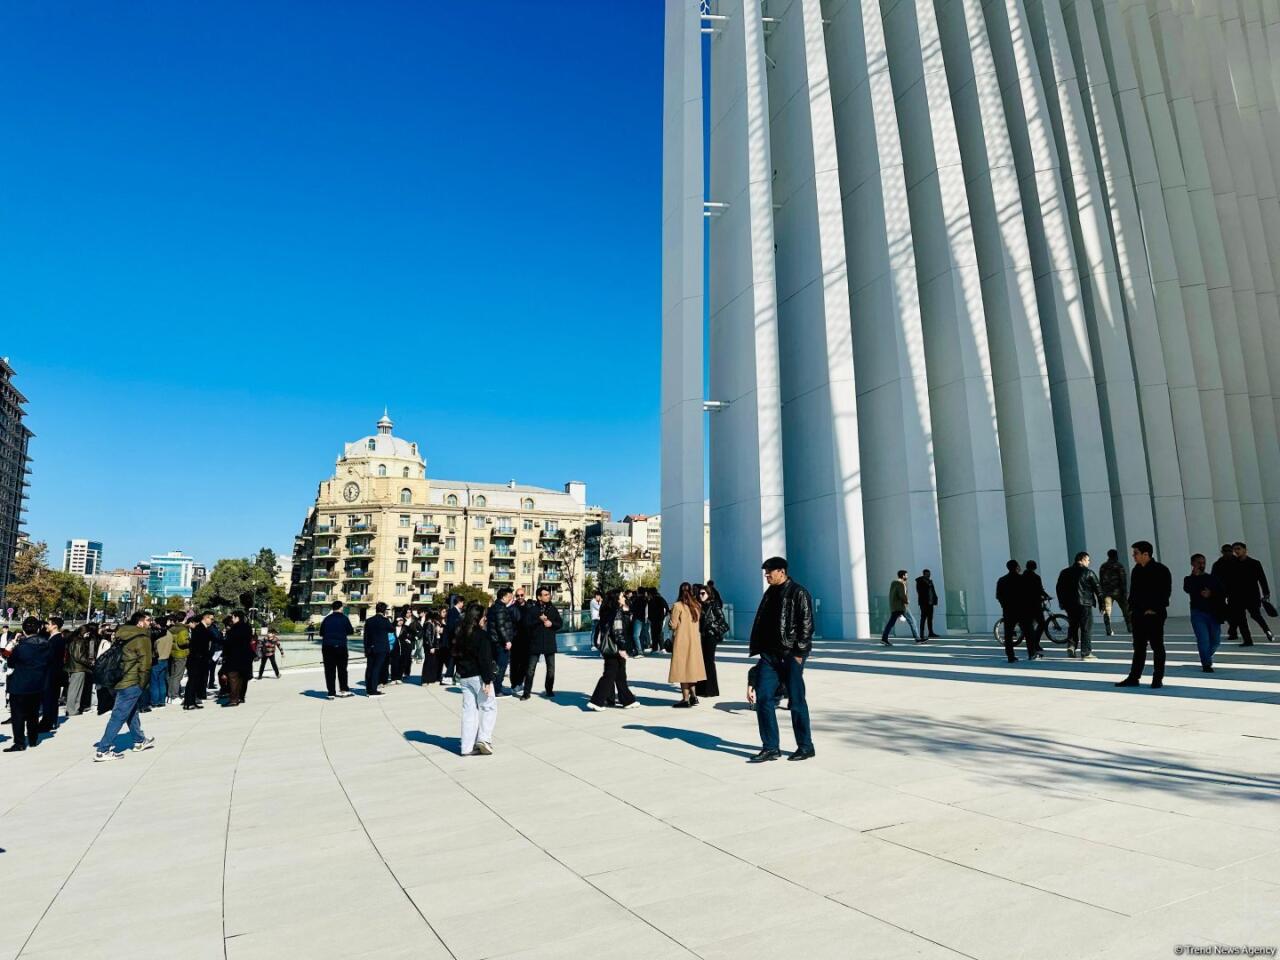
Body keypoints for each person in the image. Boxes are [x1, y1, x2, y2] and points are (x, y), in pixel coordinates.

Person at [747, 557, 815, 762]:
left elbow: (807, 625)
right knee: (764, 698)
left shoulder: (798, 592)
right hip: (769, 656)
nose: (766, 575)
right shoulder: (770, 593)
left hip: (790, 655)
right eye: (765, 572)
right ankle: (770, 747)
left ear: (782, 571)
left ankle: (805, 746)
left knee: (796, 701)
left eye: (769, 572)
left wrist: (798, 654)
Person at [94, 611, 155, 761]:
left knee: (131, 712)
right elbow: (146, 664)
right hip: (132, 681)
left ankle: (139, 741)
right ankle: (103, 749)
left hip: (118, 679)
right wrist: (143, 684)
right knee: (119, 715)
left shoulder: (122, 634)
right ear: (140, 622)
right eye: (148, 620)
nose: (150, 623)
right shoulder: (142, 638)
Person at [1116, 540, 1172, 689]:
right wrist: (1131, 609)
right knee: (1139, 647)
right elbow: (1133, 592)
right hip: (1138, 614)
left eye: (1136, 553)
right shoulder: (1136, 570)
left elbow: (1165, 592)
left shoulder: (1161, 570)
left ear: (1145, 554)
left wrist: (1153, 608)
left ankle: (1157, 678)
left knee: (1157, 645)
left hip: (1154, 614)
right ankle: (1134, 677)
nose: (1133, 556)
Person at [452, 602, 497, 755]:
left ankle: (466, 746)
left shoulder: (460, 634)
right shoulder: (482, 635)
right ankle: (484, 739)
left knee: (469, 711)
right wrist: (488, 680)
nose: (485, 619)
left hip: (464, 676)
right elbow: (485, 659)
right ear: (479, 618)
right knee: (488, 706)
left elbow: (455, 656)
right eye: (484, 617)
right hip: (478, 676)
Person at [5, 617, 51, 752]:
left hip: (20, 684)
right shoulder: (46, 645)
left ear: (24, 630)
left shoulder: (21, 647)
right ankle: (32, 739)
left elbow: (11, 663)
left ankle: (19, 742)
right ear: (38, 629)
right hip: (38, 683)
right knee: (33, 714)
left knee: (18, 715)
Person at [588, 589, 638, 710]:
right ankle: (596, 701)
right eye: (621, 596)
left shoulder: (608, 611)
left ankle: (627, 700)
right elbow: (618, 631)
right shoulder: (616, 612)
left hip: (608, 647)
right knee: (610, 675)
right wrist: (622, 648)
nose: (624, 598)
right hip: (615, 648)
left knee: (620, 674)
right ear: (616, 598)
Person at [1225, 542, 1274, 646]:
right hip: (1236, 596)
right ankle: (1247, 640)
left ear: (1245, 550)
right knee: (1241, 618)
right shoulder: (1232, 564)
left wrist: (1266, 593)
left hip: (1252, 595)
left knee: (1256, 615)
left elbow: (1262, 579)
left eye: (1238, 549)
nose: (1236, 551)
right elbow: (1229, 581)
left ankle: (1267, 630)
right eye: (1235, 549)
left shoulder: (1254, 563)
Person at [1056, 552, 1101, 660]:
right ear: (1083, 559)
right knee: (1086, 627)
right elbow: (1098, 589)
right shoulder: (1088, 573)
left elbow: (1059, 588)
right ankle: (1086, 652)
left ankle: (1071, 646)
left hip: (1070, 604)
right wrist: (1102, 604)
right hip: (1085, 604)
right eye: (1088, 560)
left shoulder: (1065, 572)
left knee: (1073, 625)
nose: (1089, 562)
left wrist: (1062, 602)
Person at [668, 582, 707, 707]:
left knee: (683, 670)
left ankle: (685, 699)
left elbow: (673, 625)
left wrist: (670, 621)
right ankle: (694, 696)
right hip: (694, 641)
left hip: (681, 641)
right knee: (691, 669)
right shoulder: (696, 605)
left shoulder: (677, 606)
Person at [1184, 554, 1225, 672]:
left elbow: (1222, 591)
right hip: (1198, 612)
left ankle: (1206, 656)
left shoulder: (1212, 578)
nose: (1201, 565)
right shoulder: (1189, 579)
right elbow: (1187, 588)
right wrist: (1194, 576)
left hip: (1213, 612)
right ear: (1193, 564)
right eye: (1198, 562)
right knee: (1203, 639)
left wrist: (1211, 594)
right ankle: (1206, 664)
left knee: (1215, 641)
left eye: (1203, 562)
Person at [520, 587, 562, 700]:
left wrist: (551, 623)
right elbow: (526, 625)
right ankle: (526, 693)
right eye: (546, 594)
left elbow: (560, 624)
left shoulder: (553, 609)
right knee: (530, 669)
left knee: (551, 669)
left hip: (549, 643)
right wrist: (539, 620)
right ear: (539, 597)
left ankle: (549, 690)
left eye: (548, 594)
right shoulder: (533, 610)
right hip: (535, 643)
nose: (548, 596)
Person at [695, 583, 728, 698]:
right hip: (701, 636)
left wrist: (711, 625)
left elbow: (721, 619)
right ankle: (700, 689)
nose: (700, 595)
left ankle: (711, 690)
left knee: (709, 662)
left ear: (708, 594)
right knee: (701, 662)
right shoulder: (699, 605)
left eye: (703, 593)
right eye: (699, 593)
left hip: (710, 636)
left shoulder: (714, 605)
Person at [995, 560, 1028, 663]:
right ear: (1017, 567)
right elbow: (1026, 594)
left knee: (1008, 634)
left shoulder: (1002, 580)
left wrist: (1004, 605)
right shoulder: (1022, 579)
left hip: (1008, 609)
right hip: (1021, 609)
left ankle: (1010, 656)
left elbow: (998, 595)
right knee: (1028, 631)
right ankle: (1032, 652)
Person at [487, 588, 517, 696]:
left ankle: (495, 686)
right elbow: (501, 627)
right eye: (509, 596)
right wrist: (507, 640)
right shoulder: (500, 608)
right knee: (501, 665)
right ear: (503, 597)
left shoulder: (494, 607)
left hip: (494, 641)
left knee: (496, 666)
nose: (511, 598)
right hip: (500, 642)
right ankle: (497, 689)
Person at [39, 616, 66, 733]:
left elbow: (50, 657)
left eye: (49, 624)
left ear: (54, 626)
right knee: (51, 698)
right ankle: (51, 721)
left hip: (51, 673)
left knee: (49, 698)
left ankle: (48, 722)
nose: (46, 626)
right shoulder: (54, 638)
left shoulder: (56, 640)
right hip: (53, 672)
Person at [221, 611, 255, 706]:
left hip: (234, 656)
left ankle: (233, 699)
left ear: (237, 618)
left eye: (233, 617)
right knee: (242, 678)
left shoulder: (233, 629)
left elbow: (229, 644)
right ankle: (241, 697)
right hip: (246, 656)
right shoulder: (248, 628)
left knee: (233, 677)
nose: (232, 619)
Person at [184, 611, 215, 709]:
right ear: (205, 618)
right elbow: (198, 645)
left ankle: (192, 701)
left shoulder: (204, 629)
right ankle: (189, 703)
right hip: (196, 659)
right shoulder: (200, 629)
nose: (212, 620)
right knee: (193, 681)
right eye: (211, 618)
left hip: (200, 659)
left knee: (196, 681)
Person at [363, 602, 394, 697]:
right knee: (376, 669)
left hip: (370, 647)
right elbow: (392, 629)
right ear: (384, 611)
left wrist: (366, 648)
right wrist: (389, 619)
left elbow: (366, 636)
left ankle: (368, 688)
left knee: (369, 668)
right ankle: (373, 690)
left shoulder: (369, 620)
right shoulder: (385, 621)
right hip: (381, 648)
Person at [65, 624, 96, 717]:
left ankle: (74, 709)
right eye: (87, 633)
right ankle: (72, 709)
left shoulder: (73, 640)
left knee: (74, 690)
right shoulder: (79, 641)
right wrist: (89, 663)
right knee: (76, 690)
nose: (88, 635)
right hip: (78, 668)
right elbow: (79, 656)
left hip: (74, 668)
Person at [880, 570, 919, 645]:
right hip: (902, 607)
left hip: (894, 606)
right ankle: (918, 639)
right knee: (912, 621)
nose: (907, 576)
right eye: (906, 575)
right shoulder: (901, 584)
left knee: (890, 623)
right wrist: (907, 601)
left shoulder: (893, 583)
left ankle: (884, 638)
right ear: (903, 576)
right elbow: (902, 595)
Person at [1097, 549, 1130, 636]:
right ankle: (1130, 627)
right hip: (1118, 592)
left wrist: (1101, 592)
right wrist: (1125, 592)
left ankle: (1108, 629)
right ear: (1116, 556)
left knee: (1107, 612)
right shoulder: (1119, 566)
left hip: (1106, 592)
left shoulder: (1103, 566)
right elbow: (1123, 580)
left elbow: (1100, 580)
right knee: (1126, 610)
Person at [1210, 544, 1237, 639]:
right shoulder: (1218, 564)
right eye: (1225, 551)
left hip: (1236, 591)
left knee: (1235, 612)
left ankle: (1233, 631)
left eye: (1229, 551)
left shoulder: (1237, 563)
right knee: (1229, 613)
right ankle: (1233, 631)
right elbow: (1213, 578)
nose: (1227, 553)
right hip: (1222, 592)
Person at [508, 588, 530, 694]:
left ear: (524, 595)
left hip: (527, 640)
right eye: (517, 596)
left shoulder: (530, 607)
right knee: (514, 663)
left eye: (521, 595)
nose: (520, 597)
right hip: (515, 640)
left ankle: (520, 683)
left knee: (525, 663)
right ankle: (514, 684)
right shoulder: (512, 609)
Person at [148, 616, 172, 710]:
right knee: (162, 681)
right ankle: (162, 701)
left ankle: (155, 701)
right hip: (166, 658)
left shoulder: (158, 635)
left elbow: (154, 647)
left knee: (154, 682)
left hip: (157, 659)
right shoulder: (169, 633)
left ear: (158, 624)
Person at [166, 616, 190, 703]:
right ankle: (174, 696)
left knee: (172, 675)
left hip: (172, 653)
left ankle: (169, 695)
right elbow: (182, 642)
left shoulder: (171, 629)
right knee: (178, 676)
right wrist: (189, 640)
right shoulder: (183, 629)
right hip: (181, 654)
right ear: (184, 619)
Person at [442, 595, 464, 683]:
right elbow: (451, 626)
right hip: (453, 639)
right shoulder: (452, 611)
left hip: (457, 639)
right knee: (453, 658)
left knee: (455, 658)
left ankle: (454, 675)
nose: (463, 604)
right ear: (459, 602)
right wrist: (454, 638)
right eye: (462, 602)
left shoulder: (458, 611)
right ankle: (449, 676)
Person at [420, 607, 445, 685]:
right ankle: (426, 680)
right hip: (430, 647)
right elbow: (428, 636)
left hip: (432, 646)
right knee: (429, 663)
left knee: (431, 663)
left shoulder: (431, 623)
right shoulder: (428, 624)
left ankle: (430, 679)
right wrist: (431, 647)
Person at [915, 570, 940, 639]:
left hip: (930, 603)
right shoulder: (920, 581)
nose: (928, 575)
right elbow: (919, 591)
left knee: (930, 618)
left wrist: (934, 599)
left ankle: (931, 632)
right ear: (924, 574)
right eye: (927, 574)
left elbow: (932, 591)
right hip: (924, 603)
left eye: (929, 574)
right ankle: (921, 634)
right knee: (923, 618)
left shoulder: (930, 581)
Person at [647, 588, 670, 654]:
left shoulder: (654, 599)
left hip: (655, 619)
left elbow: (666, 607)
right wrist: (664, 615)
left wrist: (649, 618)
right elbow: (666, 607)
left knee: (655, 633)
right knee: (658, 633)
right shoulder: (660, 598)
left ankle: (657, 648)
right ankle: (660, 648)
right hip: (659, 618)